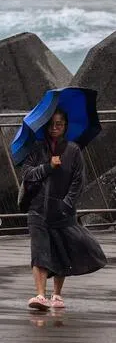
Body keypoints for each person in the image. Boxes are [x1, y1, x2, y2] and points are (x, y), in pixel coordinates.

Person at [21, 108, 107, 311]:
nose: (54, 128)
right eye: (51, 124)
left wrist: (66, 204)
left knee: (62, 249)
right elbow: (27, 174)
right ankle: (40, 295)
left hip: (62, 211)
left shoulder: (73, 150)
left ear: (65, 126)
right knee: (39, 251)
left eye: (59, 124)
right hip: (37, 209)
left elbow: (79, 181)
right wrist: (48, 167)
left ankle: (56, 294)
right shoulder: (37, 149)